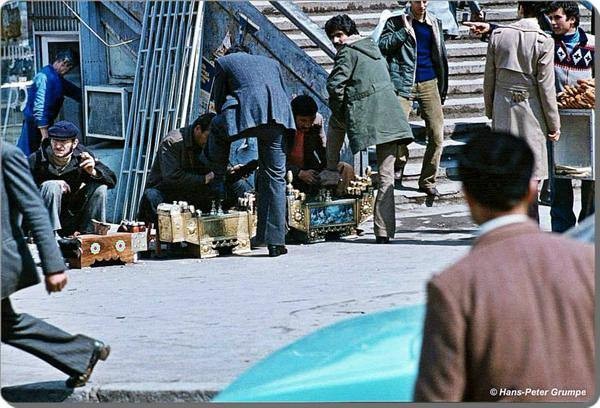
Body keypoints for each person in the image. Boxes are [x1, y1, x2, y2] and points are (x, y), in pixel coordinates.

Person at [414, 130, 594, 402]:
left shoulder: (454, 287)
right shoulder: (588, 263)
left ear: (468, 196)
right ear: (532, 189)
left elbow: (438, 397)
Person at [1, 142, 110, 388]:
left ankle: (82, 354)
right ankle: (82, 354)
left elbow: (35, 210)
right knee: (7, 325)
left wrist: (53, 265)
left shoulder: (6, 156)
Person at [323, 15, 414, 244]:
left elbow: (335, 86)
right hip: (391, 116)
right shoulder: (371, 46)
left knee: (335, 123)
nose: (336, 40)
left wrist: (341, 111)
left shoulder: (346, 51)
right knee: (386, 177)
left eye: (338, 35)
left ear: (348, 33)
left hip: (368, 113)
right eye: (332, 37)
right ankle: (383, 231)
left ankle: (331, 171)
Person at [203, 45, 296, 257]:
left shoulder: (224, 62)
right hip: (279, 118)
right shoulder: (271, 63)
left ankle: (216, 181)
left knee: (216, 128)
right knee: (275, 178)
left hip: (248, 115)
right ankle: (273, 241)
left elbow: (218, 101)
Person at [483, 1, 560, 222]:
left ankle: (504, 221)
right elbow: (546, 88)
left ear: (520, 8)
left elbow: (489, 77)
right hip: (531, 109)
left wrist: (490, 109)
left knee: (505, 166)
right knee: (532, 170)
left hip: (502, 105)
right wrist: (554, 125)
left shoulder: (498, 35)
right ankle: (530, 221)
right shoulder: (543, 41)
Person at [377, 0, 448, 198]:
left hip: (429, 82)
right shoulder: (396, 22)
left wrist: (442, 85)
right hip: (402, 82)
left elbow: (440, 54)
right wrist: (404, 32)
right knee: (398, 132)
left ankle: (427, 180)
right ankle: (399, 162)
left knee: (436, 134)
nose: (422, 5)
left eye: (425, 1)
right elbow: (382, 46)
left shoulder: (434, 22)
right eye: (418, 1)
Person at [138, 113, 255, 226]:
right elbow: (172, 177)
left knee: (237, 185)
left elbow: (212, 171)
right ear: (198, 129)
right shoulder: (173, 142)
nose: (211, 142)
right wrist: (204, 179)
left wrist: (229, 171)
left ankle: (228, 231)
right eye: (208, 137)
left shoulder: (208, 145)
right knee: (152, 196)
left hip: (192, 191)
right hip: (168, 192)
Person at [545, 1, 595, 232]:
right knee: (559, 179)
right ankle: (562, 230)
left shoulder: (593, 45)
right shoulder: (546, 44)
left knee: (591, 180)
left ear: (572, 19)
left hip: (589, 123)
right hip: (557, 121)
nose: (553, 22)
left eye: (557, 18)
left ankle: (588, 228)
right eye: (551, 18)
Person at [28, 121, 116, 238]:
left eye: (63, 142)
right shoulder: (36, 159)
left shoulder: (83, 155)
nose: (58, 146)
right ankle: (48, 237)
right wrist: (50, 185)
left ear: (74, 143)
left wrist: (93, 171)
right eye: (55, 141)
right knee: (52, 186)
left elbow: (112, 180)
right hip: (43, 219)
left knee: (100, 188)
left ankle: (91, 236)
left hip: (72, 217)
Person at [287, 94, 355, 197]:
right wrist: (299, 173)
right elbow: (274, 161)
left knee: (345, 168)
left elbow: (324, 151)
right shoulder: (283, 126)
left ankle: (340, 205)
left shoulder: (317, 122)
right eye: (303, 121)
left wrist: (329, 170)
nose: (307, 125)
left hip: (310, 169)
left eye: (311, 120)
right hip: (287, 172)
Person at [17, 50, 81, 156]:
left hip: (45, 123)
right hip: (35, 125)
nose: (67, 70)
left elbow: (74, 91)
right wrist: (44, 134)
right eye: (68, 67)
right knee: (29, 155)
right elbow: (39, 107)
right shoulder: (44, 77)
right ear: (62, 63)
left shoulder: (57, 78)